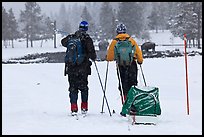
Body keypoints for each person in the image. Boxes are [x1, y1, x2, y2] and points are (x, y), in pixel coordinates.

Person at [106, 23, 143, 116]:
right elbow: (138, 53)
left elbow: (110, 57)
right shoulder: (131, 41)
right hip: (132, 65)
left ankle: (125, 106)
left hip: (121, 66)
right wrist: (140, 61)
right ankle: (133, 106)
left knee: (123, 86)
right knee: (133, 85)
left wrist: (111, 58)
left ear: (117, 32)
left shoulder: (114, 42)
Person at [61, 21, 96, 116]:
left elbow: (63, 42)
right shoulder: (87, 39)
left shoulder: (72, 37)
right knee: (84, 88)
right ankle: (84, 107)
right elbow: (92, 54)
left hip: (71, 68)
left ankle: (73, 107)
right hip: (83, 68)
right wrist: (92, 57)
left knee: (73, 88)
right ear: (87, 28)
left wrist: (71, 37)